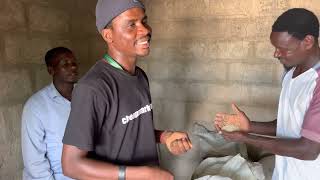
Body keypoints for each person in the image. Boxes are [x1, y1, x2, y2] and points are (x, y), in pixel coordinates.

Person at [61, 0, 192, 179]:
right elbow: (71, 165)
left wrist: (164, 136)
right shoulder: (92, 88)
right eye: (131, 24)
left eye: (143, 21)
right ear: (108, 35)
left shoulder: (140, 77)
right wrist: (141, 174)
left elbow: (127, 130)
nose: (145, 30)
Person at [214, 8, 320, 180]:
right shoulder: (291, 74)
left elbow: (308, 149)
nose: (276, 54)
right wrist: (249, 126)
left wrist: (246, 138)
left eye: (283, 48)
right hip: (285, 174)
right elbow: (289, 125)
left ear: (307, 41)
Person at [21, 47, 78, 180]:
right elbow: (34, 162)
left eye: (74, 62)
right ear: (51, 70)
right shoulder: (36, 106)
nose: (73, 67)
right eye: (65, 64)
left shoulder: (86, 97)